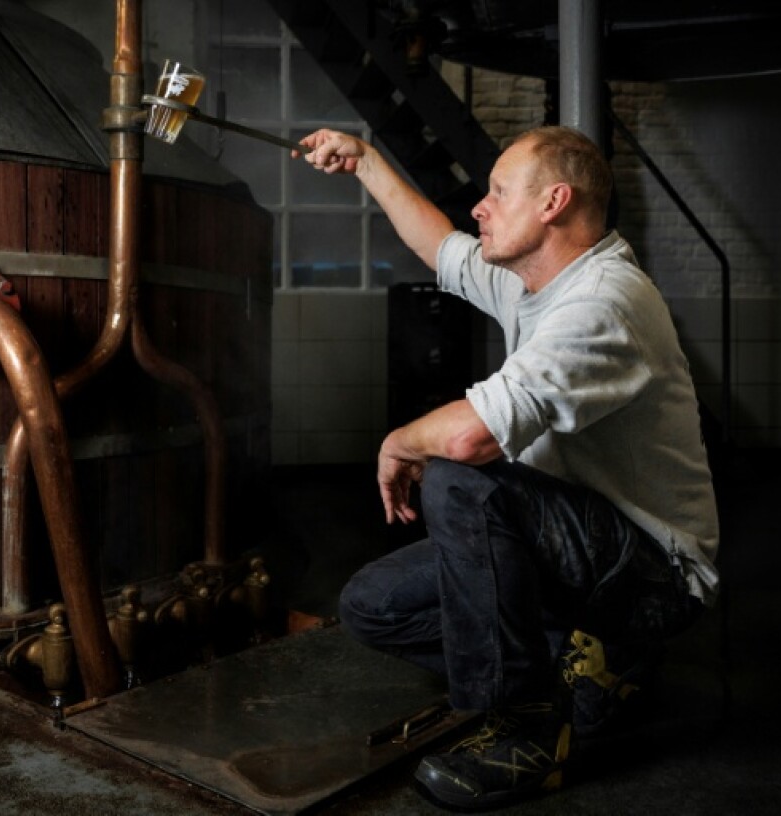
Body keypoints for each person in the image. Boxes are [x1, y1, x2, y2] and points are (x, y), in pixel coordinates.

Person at [294, 126, 718, 811]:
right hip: (569, 543)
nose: (479, 208)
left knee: (461, 479)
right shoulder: (534, 282)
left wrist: (399, 442)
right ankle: (587, 670)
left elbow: (468, 442)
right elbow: (439, 245)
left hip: (652, 572)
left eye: (497, 192)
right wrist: (368, 159)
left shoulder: (604, 301)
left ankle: (525, 731)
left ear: (553, 202)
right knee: (370, 608)